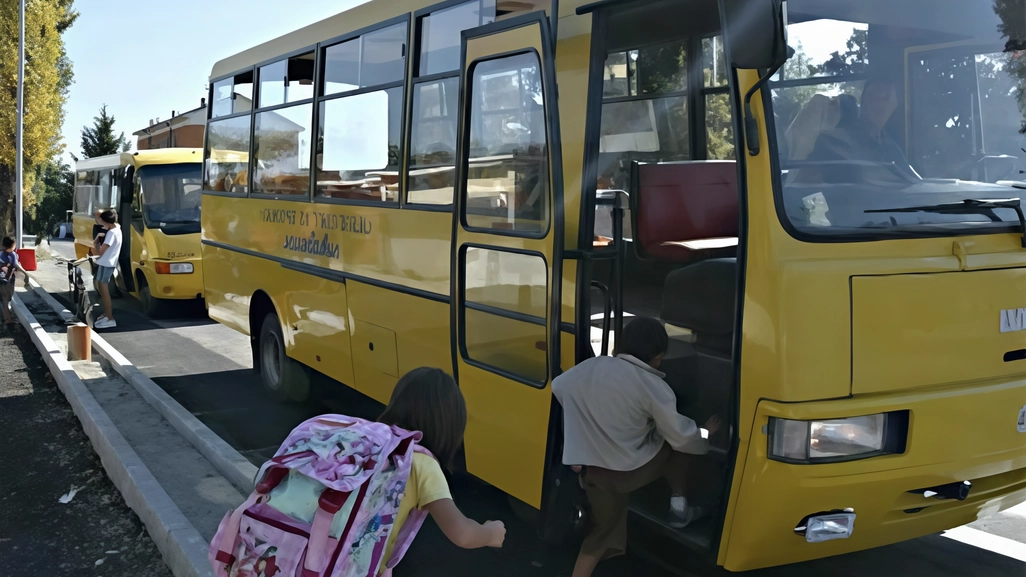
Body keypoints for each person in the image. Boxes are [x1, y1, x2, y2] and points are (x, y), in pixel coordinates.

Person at [553, 317, 721, 577]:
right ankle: (679, 507)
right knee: (675, 443)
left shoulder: (591, 366)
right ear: (658, 356)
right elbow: (682, 436)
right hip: (628, 473)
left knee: (600, 535)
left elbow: (558, 386)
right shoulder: (653, 386)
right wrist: (706, 433)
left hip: (593, 475)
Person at [376, 367, 505, 569]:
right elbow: (463, 534)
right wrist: (491, 533)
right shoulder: (421, 463)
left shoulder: (373, 438)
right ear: (448, 425)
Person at [92, 209, 122, 330]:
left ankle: (109, 317)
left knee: (104, 291)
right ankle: (107, 314)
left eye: (103, 223)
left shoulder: (111, 234)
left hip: (106, 263)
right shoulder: (117, 229)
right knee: (100, 286)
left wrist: (95, 244)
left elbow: (101, 251)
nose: (102, 225)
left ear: (107, 222)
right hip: (107, 263)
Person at [0, 237, 29, 325]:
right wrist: (26, 274)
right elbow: (17, 265)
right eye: (15, 244)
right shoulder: (13, 255)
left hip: (1, 280)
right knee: (6, 300)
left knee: (4, 299)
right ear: (12, 246)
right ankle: (8, 318)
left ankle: (6, 315)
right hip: (8, 280)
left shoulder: (1, 253)